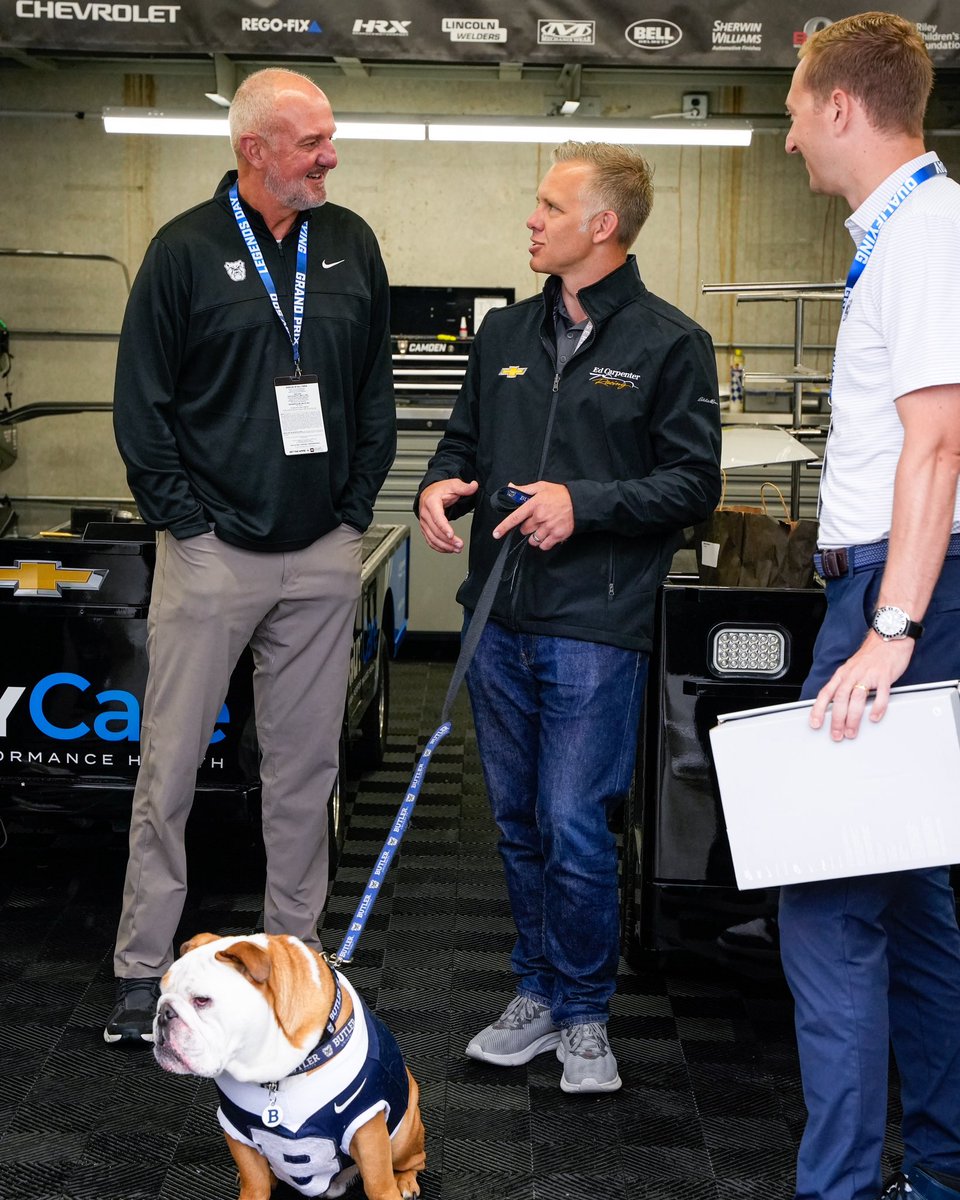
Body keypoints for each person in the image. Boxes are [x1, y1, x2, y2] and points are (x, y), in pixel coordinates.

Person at [416, 142, 722, 1093]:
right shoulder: (505, 335)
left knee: (572, 822)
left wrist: (581, 503)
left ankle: (587, 1016)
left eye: (549, 205)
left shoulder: (671, 343)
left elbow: (693, 482)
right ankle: (538, 994)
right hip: (497, 617)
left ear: (604, 226)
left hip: (595, 625)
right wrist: (440, 486)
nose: (531, 219)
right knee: (516, 822)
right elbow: (462, 438)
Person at [105, 68, 396, 1044]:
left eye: (329, 138)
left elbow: (373, 396)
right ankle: (144, 971)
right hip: (211, 555)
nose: (331, 155)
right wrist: (185, 522)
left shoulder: (350, 244)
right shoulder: (184, 251)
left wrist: (351, 512)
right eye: (312, 140)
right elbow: (141, 408)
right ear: (255, 150)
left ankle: (292, 974)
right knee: (172, 772)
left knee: (305, 776)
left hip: (320, 554)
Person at [780, 13, 960, 1200]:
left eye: (794, 111)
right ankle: (939, 1174)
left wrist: (888, 630)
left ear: (841, 106)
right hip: (905, 589)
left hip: (905, 598)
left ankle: (837, 1189)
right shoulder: (907, 232)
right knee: (915, 895)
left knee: (827, 897)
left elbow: (938, 440)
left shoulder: (928, 233)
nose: (788, 137)